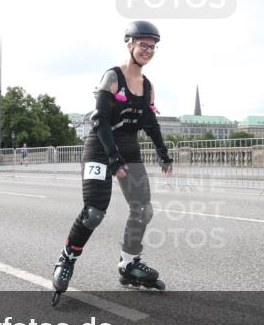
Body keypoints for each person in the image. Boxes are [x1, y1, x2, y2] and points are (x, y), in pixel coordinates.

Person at [51, 21, 173, 304]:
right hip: (100, 149)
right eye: (143, 44)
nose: (148, 50)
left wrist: (163, 152)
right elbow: (101, 120)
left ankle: (128, 263)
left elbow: (150, 123)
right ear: (129, 44)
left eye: (153, 46)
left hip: (129, 149)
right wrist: (112, 157)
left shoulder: (148, 86)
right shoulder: (113, 77)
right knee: (94, 212)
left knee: (143, 209)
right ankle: (67, 259)